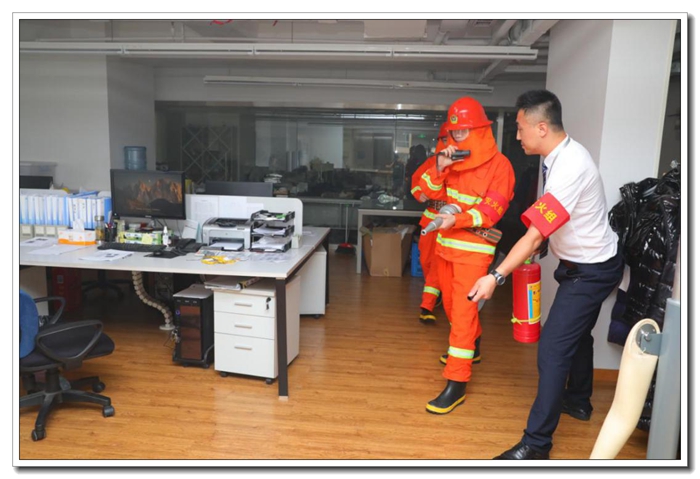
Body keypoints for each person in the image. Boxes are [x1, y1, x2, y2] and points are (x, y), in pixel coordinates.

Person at [468, 90, 623, 459]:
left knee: (552, 350)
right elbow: (556, 220)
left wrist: (495, 276)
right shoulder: (556, 157)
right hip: (581, 263)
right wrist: (545, 243)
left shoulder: (570, 166)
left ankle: (536, 445)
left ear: (541, 128)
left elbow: (536, 233)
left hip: (592, 270)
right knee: (578, 335)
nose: (517, 135)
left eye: (520, 128)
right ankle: (579, 401)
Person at [417, 97, 515, 414]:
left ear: (480, 130)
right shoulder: (452, 159)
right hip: (445, 248)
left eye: (464, 132)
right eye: (454, 132)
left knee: (461, 316)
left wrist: (455, 219)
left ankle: (456, 383)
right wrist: (439, 167)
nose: (458, 138)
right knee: (452, 309)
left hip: (474, 254)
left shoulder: (501, 166)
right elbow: (426, 193)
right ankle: (474, 345)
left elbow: (490, 213)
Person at [409, 137, 445, 324]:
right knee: (426, 261)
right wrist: (419, 194)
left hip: (452, 221)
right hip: (431, 218)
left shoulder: (466, 164)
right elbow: (415, 181)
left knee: (439, 264)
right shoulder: (431, 163)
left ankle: (427, 304)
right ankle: (435, 292)